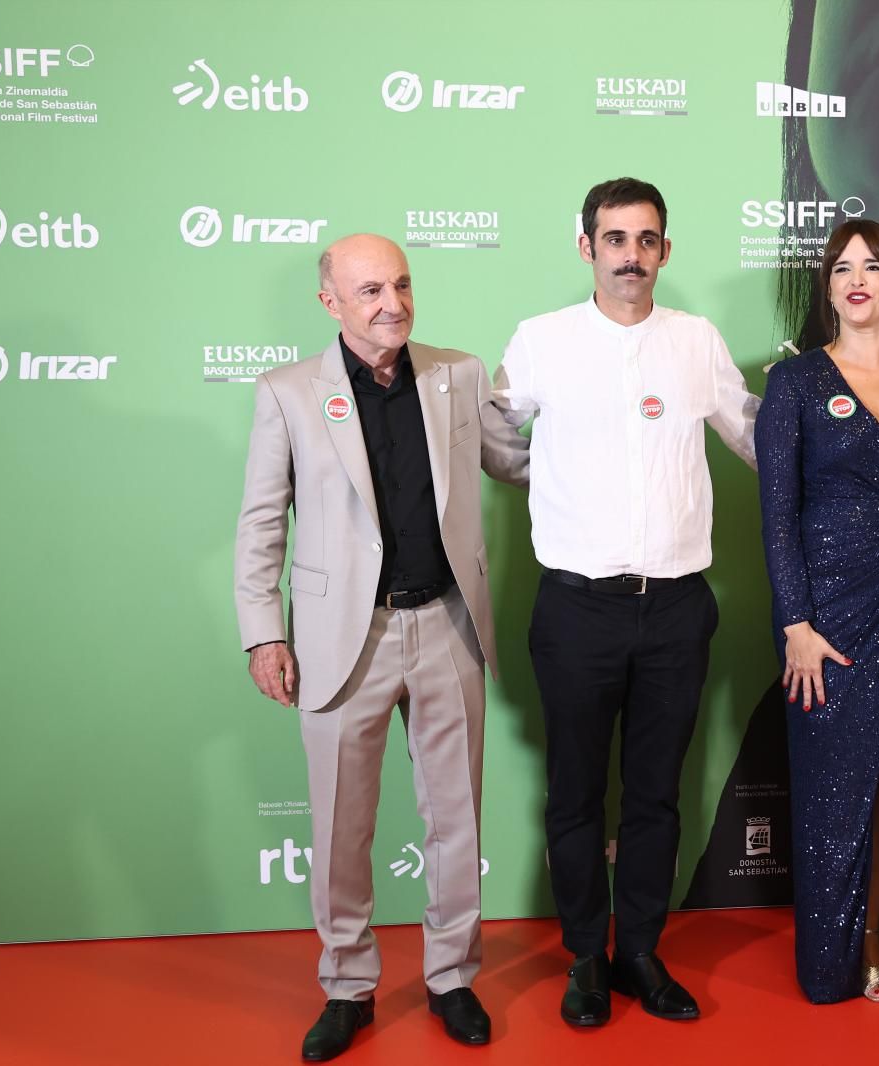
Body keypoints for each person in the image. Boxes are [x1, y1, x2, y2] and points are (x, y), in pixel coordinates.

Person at [234, 234, 527, 1060]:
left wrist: (617, 441)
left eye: (400, 284)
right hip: (341, 639)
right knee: (339, 825)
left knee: (455, 819)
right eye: (369, 291)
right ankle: (348, 985)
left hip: (446, 624)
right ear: (330, 303)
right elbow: (261, 522)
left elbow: (520, 462)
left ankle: (452, 976)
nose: (391, 303)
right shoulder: (287, 392)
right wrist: (264, 632)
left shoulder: (459, 373)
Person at [492, 177, 758, 1027]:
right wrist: (554, 477)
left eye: (646, 241)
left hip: (678, 606)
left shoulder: (697, 341)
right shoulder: (540, 341)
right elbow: (497, 437)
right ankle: (583, 957)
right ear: (587, 248)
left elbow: (754, 437)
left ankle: (639, 949)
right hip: (576, 608)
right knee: (575, 791)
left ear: (665, 251)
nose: (631, 257)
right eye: (615, 240)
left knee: (654, 793)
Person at [756, 220, 879, 1004]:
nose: (858, 279)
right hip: (826, 618)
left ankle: (874, 936)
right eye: (842, 269)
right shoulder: (795, 382)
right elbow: (775, 515)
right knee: (838, 787)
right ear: (827, 287)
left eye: (874, 266)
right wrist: (796, 623)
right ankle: (835, 956)